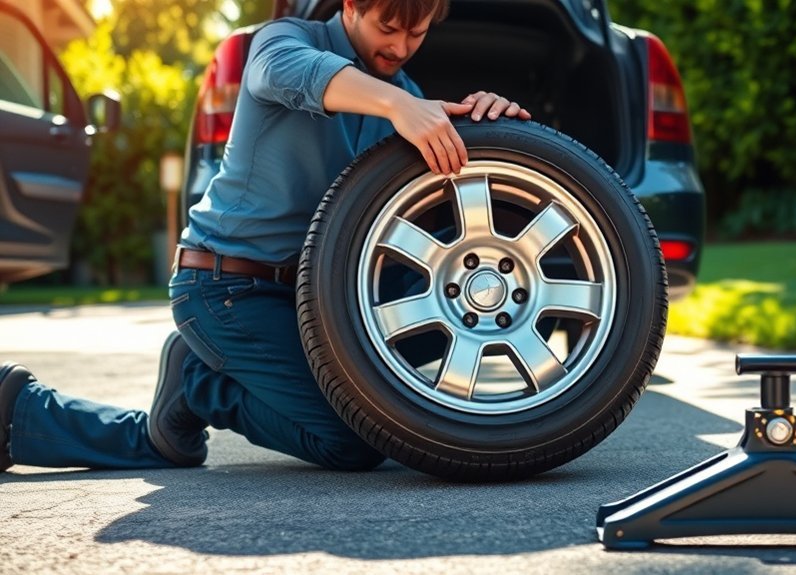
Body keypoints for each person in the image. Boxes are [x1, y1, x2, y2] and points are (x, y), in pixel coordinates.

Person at [0, 0, 530, 473]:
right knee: (353, 444)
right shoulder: (285, 40)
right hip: (223, 285)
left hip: (304, 304)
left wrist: (484, 122)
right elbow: (283, 71)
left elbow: (429, 197)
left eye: (416, 35)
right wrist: (398, 106)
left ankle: (26, 412)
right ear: (350, 6)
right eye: (388, 27)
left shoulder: (404, 95)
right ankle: (197, 381)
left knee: (171, 445)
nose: (400, 46)